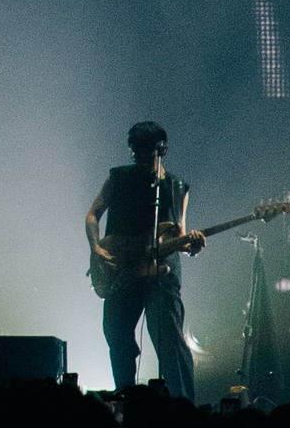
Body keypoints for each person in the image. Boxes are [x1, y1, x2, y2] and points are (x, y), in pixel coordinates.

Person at [85, 121, 204, 399]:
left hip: (161, 272)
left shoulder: (176, 186)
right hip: (122, 268)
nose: (139, 157)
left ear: (161, 149)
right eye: (135, 152)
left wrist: (193, 245)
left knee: (168, 337)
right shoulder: (118, 178)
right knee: (117, 335)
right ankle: (125, 398)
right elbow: (93, 214)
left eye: (145, 152)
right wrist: (96, 248)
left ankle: (183, 405)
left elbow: (180, 237)